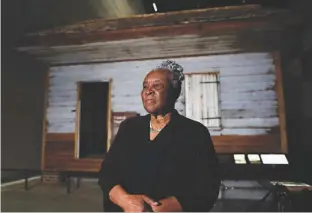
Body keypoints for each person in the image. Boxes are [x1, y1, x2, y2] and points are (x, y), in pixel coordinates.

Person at [98, 60, 220, 212]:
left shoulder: (194, 133)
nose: (148, 91)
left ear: (174, 92)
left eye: (157, 86)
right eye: (145, 86)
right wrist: (126, 201)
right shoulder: (129, 128)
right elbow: (108, 172)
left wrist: (154, 209)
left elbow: (207, 187)